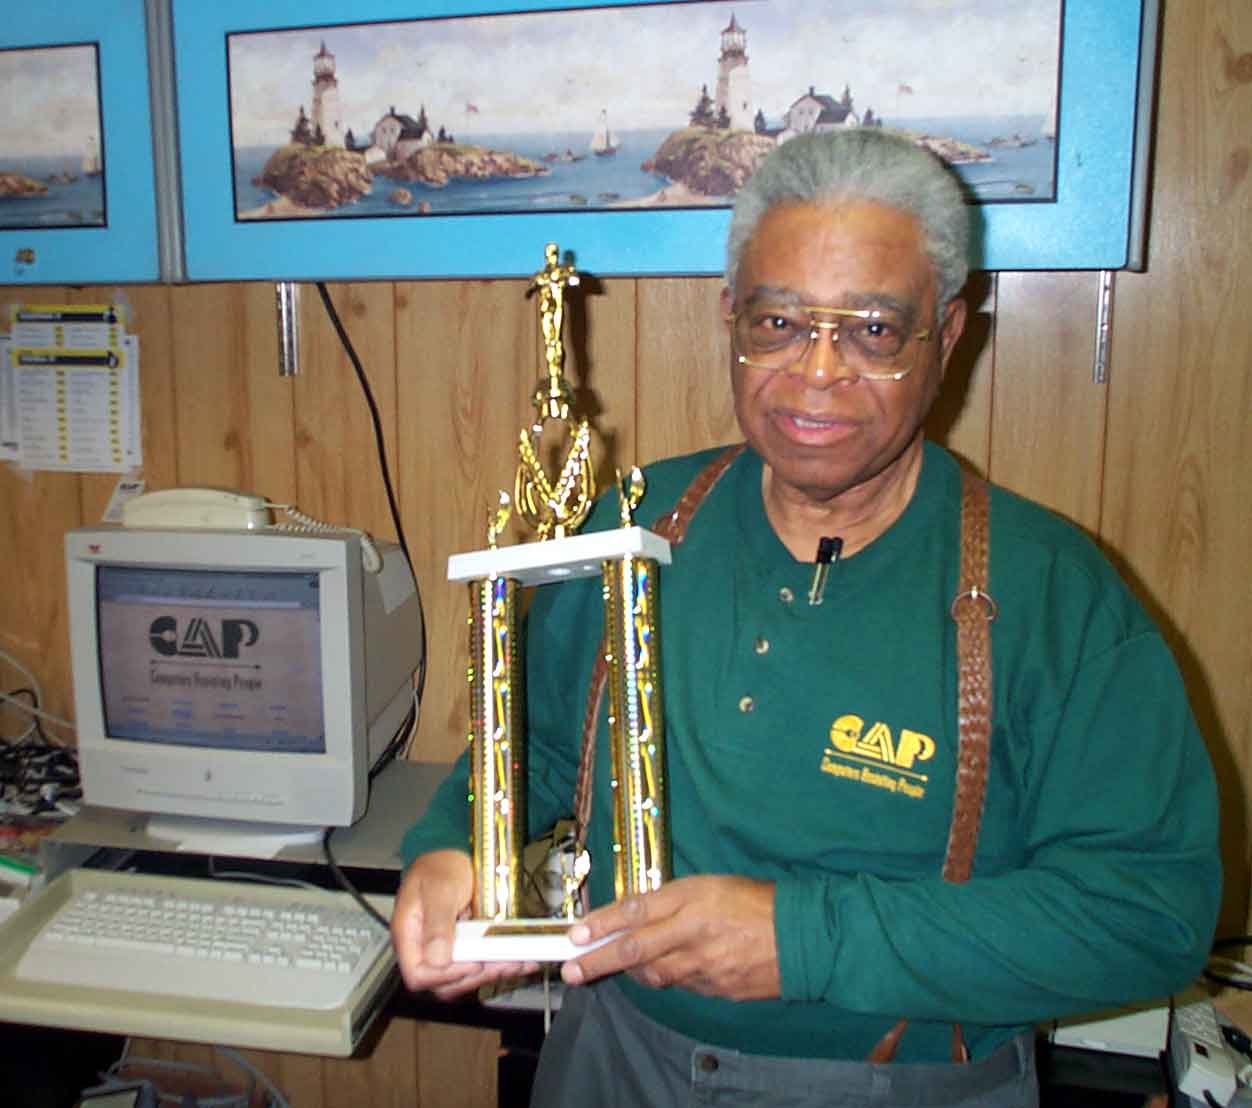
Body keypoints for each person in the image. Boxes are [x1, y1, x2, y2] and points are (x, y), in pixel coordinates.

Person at [392, 128, 1221, 1107]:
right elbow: (525, 735)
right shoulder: (629, 524)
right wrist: (452, 850)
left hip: (903, 1085)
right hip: (612, 1058)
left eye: (872, 330)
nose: (816, 372)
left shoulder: (1057, 600)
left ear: (947, 337)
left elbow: (1144, 918)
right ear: (730, 319)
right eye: (777, 322)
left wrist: (801, 940)